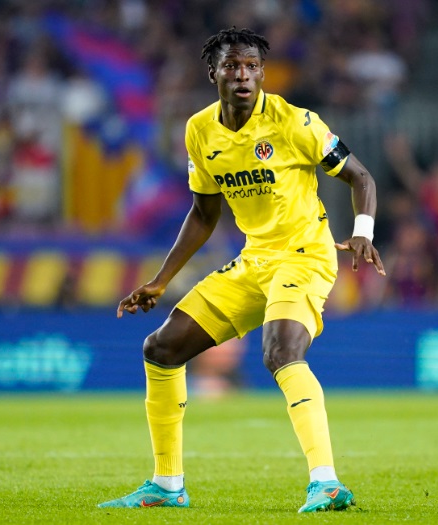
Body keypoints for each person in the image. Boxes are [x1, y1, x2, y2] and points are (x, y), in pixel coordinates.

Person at [98, 27, 385, 513]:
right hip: (254, 260)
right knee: (161, 348)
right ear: (213, 74)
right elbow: (203, 214)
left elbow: (362, 177)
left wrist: (363, 231)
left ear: (263, 74)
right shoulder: (199, 130)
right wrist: (161, 281)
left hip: (305, 254)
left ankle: (327, 482)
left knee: (281, 350)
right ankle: (167, 485)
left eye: (252, 66)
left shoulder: (296, 122)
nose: (243, 75)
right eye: (232, 66)